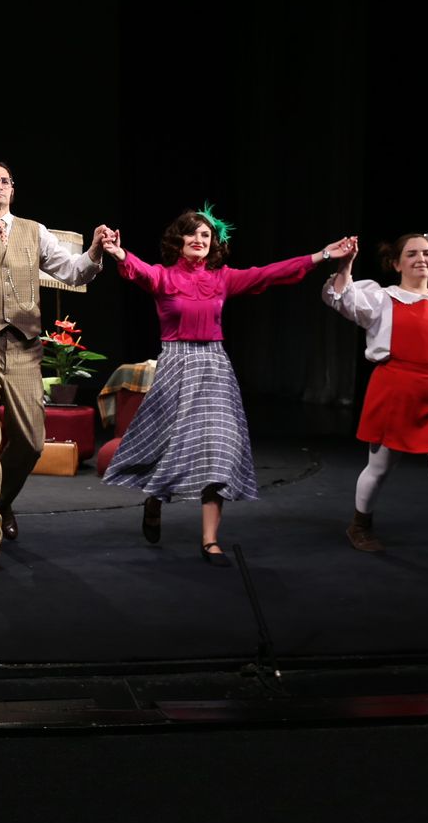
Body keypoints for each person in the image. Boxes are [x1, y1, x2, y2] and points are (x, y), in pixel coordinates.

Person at [100, 206, 353, 565]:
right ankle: (154, 499)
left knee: (218, 448)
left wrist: (323, 255)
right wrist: (118, 253)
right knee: (168, 447)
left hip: (215, 367)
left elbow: (270, 273)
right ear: (178, 239)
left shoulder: (222, 279)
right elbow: (139, 270)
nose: (200, 239)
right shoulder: (164, 277)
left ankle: (210, 541)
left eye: (206, 235)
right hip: (176, 366)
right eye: (193, 233)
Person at [0, 161, 109, 572]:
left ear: (12, 190)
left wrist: (93, 252)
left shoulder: (35, 231)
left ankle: (0, 503)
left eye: (5, 181)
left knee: (32, 441)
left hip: (23, 345)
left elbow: (72, 272)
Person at [323, 233, 428, 572]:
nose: (422, 258)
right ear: (396, 263)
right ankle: (359, 525)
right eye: (412, 253)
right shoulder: (382, 299)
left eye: (427, 253)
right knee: (379, 469)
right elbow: (341, 298)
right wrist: (346, 265)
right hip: (395, 394)